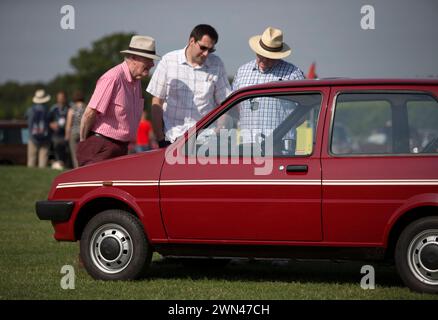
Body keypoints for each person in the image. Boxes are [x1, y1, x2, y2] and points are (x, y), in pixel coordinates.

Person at [77, 35, 160, 166]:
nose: (152, 64)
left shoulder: (136, 82)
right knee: (95, 185)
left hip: (120, 147)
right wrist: (83, 143)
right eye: (148, 60)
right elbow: (90, 112)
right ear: (133, 58)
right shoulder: (113, 78)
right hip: (102, 146)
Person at [147, 24, 231, 148]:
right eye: (203, 48)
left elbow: (225, 104)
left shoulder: (217, 64)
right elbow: (156, 102)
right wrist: (160, 139)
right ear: (192, 41)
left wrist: (218, 132)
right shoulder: (168, 61)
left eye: (211, 50)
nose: (206, 53)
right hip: (172, 140)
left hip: (205, 143)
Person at [232, 26, 305, 143]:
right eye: (261, 55)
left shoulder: (293, 75)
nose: (264, 60)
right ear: (256, 50)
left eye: (269, 58)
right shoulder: (241, 72)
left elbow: (303, 114)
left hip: (280, 148)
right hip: (248, 146)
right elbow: (237, 106)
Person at [25, 89, 51, 168]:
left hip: (33, 137)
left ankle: (29, 176)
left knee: (31, 159)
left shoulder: (30, 110)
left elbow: (25, 117)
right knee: (43, 160)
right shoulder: (47, 110)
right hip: (45, 138)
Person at [49, 91, 69, 169]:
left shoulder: (69, 108)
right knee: (56, 149)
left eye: (62, 98)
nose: (61, 99)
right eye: (59, 98)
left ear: (65, 98)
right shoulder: (53, 109)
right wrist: (52, 124)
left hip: (66, 134)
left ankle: (65, 165)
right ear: (57, 99)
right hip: (56, 135)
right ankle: (58, 165)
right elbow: (48, 121)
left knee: (66, 151)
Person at [65, 90, 86, 168]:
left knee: (74, 154)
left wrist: (67, 135)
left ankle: (77, 169)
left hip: (73, 133)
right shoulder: (86, 107)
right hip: (84, 133)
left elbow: (69, 123)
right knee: (83, 153)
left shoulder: (72, 109)